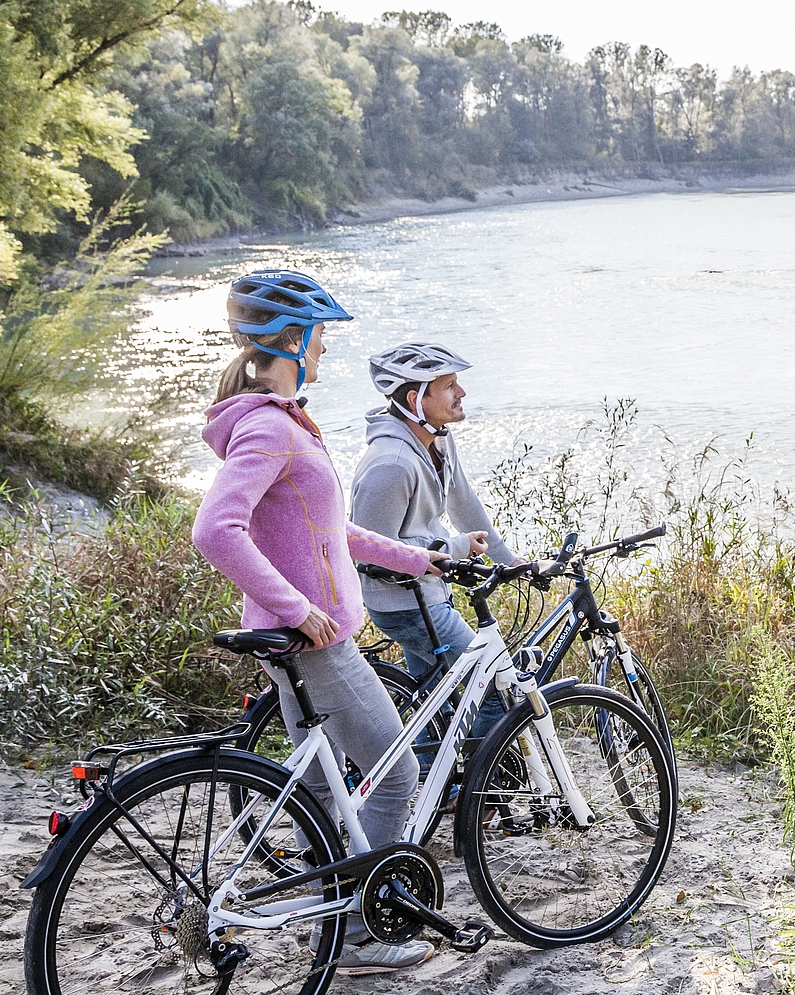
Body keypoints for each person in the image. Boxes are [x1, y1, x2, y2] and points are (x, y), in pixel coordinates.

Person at [191, 270, 444, 977]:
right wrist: (299, 608)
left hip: (299, 643)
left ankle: (328, 923)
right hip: (315, 646)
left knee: (324, 790)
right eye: (322, 337)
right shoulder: (271, 425)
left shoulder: (279, 420)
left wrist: (420, 558)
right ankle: (362, 937)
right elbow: (215, 530)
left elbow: (335, 531)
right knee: (396, 775)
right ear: (295, 342)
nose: (326, 350)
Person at [350, 342, 523, 693]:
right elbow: (373, 553)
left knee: (431, 702)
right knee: (492, 685)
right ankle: (490, 751)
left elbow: (464, 504)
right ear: (416, 400)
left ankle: (431, 750)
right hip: (403, 604)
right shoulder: (391, 465)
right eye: (448, 386)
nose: (461, 392)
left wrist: (509, 561)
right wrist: (457, 547)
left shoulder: (439, 441)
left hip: (428, 593)